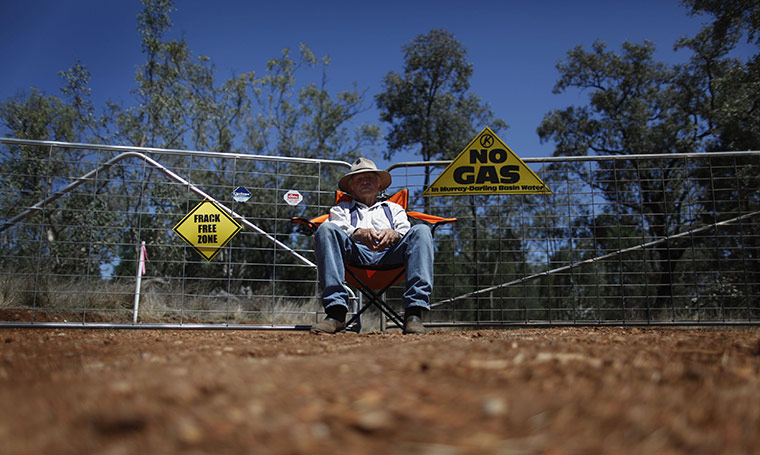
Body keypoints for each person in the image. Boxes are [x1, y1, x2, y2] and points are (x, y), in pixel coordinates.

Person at [311, 157, 434, 335]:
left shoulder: (394, 208)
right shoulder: (341, 209)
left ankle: (414, 313)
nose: (365, 182)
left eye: (370, 178)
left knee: (422, 230)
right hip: (355, 256)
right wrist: (357, 233)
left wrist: (395, 234)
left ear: (379, 186)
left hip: (391, 256)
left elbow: (405, 229)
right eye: (359, 179)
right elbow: (338, 228)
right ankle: (336, 313)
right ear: (351, 187)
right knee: (326, 228)